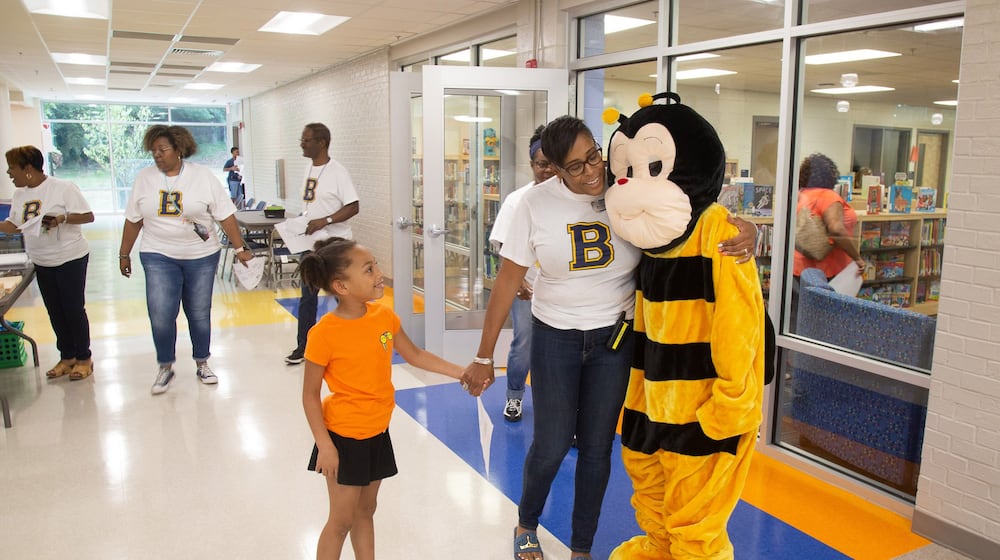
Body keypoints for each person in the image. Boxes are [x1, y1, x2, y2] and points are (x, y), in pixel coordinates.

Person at [460, 115, 757, 560]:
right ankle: (527, 522)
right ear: (554, 169)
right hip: (556, 336)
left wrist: (747, 228)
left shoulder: (622, 190)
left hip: (614, 340)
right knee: (552, 442)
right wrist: (484, 356)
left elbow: (692, 218)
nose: (592, 171)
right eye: (576, 167)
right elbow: (507, 282)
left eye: (594, 156)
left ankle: (582, 547)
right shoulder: (533, 205)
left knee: (598, 447)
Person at [300, 237, 463, 560]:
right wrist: (326, 446)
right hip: (344, 436)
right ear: (341, 286)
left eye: (374, 265)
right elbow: (309, 395)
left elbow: (414, 354)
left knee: (366, 510)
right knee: (341, 520)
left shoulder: (384, 317)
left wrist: (462, 372)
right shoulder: (324, 333)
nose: (378, 274)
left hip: (377, 429)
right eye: (369, 269)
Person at [118, 125, 255, 395]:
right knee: (161, 313)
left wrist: (240, 249)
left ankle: (202, 362)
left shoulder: (202, 177)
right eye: (153, 151)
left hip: (200, 255)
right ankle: (165, 367)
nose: (156, 155)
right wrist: (124, 253)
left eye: (162, 150)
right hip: (157, 253)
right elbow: (133, 219)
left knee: (198, 312)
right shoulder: (144, 179)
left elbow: (225, 215)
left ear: (179, 149)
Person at [3, 146, 95, 380]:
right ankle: (67, 357)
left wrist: (62, 218)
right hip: (42, 261)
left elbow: (87, 215)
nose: (9, 173)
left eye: (12, 168)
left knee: (73, 309)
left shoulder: (62, 188)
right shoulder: (19, 195)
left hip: (69, 257)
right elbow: (14, 226)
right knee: (55, 311)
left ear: (28, 168)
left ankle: (84, 358)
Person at [488, 125, 554, 422]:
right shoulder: (518, 200)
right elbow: (501, 244)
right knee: (525, 343)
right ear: (532, 165)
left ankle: (562, 409)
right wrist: (518, 282)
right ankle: (514, 396)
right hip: (527, 288)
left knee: (560, 353)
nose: (548, 170)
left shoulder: (573, 196)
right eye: (541, 164)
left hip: (559, 291)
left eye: (553, 163)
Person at [285, 123, 360, 366]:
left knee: (343, 296)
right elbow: (311, 205)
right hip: (311, 245)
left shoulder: (338, 172)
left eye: (306, 140)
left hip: (335, 247)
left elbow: (353, 206)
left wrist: (325, 221)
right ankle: (304, 347)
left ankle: (353, 344)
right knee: (307, 296)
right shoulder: (308, 168)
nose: (302, 144)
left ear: (322, 143)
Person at [793, 153, 865, 293]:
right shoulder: (828, 196)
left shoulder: (802, 195)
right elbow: (836, 228)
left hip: (799, 267)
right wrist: (857, 257)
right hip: (825, 269)